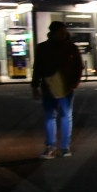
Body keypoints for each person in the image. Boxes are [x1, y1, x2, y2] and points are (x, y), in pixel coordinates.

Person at [30, 21, 84, 159]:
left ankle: (56, 147)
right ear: (55, 32)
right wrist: (35, 86)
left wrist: (74, 83)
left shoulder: (48, 47)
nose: (64, 33)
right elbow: (38, 68)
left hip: (57, 86)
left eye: (64, 31)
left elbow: (78, 66)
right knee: (59, 116)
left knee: (56, 116)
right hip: (57, 86)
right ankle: (58, 147)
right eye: (62, 31)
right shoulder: (63, 47)